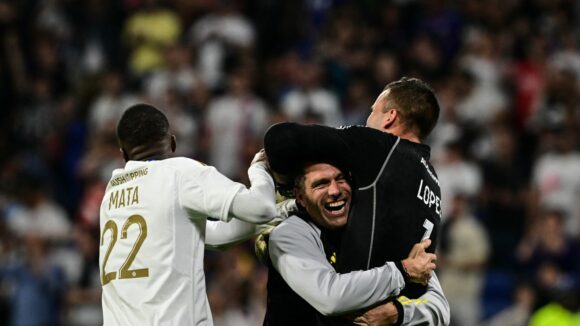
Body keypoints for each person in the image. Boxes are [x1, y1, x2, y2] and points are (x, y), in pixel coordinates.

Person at [265, 77, 442, 300]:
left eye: (373, 111)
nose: (368, 120)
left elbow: (279, 139)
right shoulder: (433, 182)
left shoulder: (379, 148)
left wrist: (284, 186)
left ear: (390, 117)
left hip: (356, 307)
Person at [99, 103, 278, 325]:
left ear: (123, 154)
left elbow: (208, 236)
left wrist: (272, 216)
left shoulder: (111, 193)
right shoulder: (179, 172)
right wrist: (259, 169)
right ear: (172, 143)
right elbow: (261, 207)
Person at [264, 162, 449, 325]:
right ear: (301, 198)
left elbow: (440, 308)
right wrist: (403, 271)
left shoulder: (378, 223)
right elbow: (330, 298)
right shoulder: (289, 233)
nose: (335, 191)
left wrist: (399, 313)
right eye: (321, 184)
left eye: (341, 179)